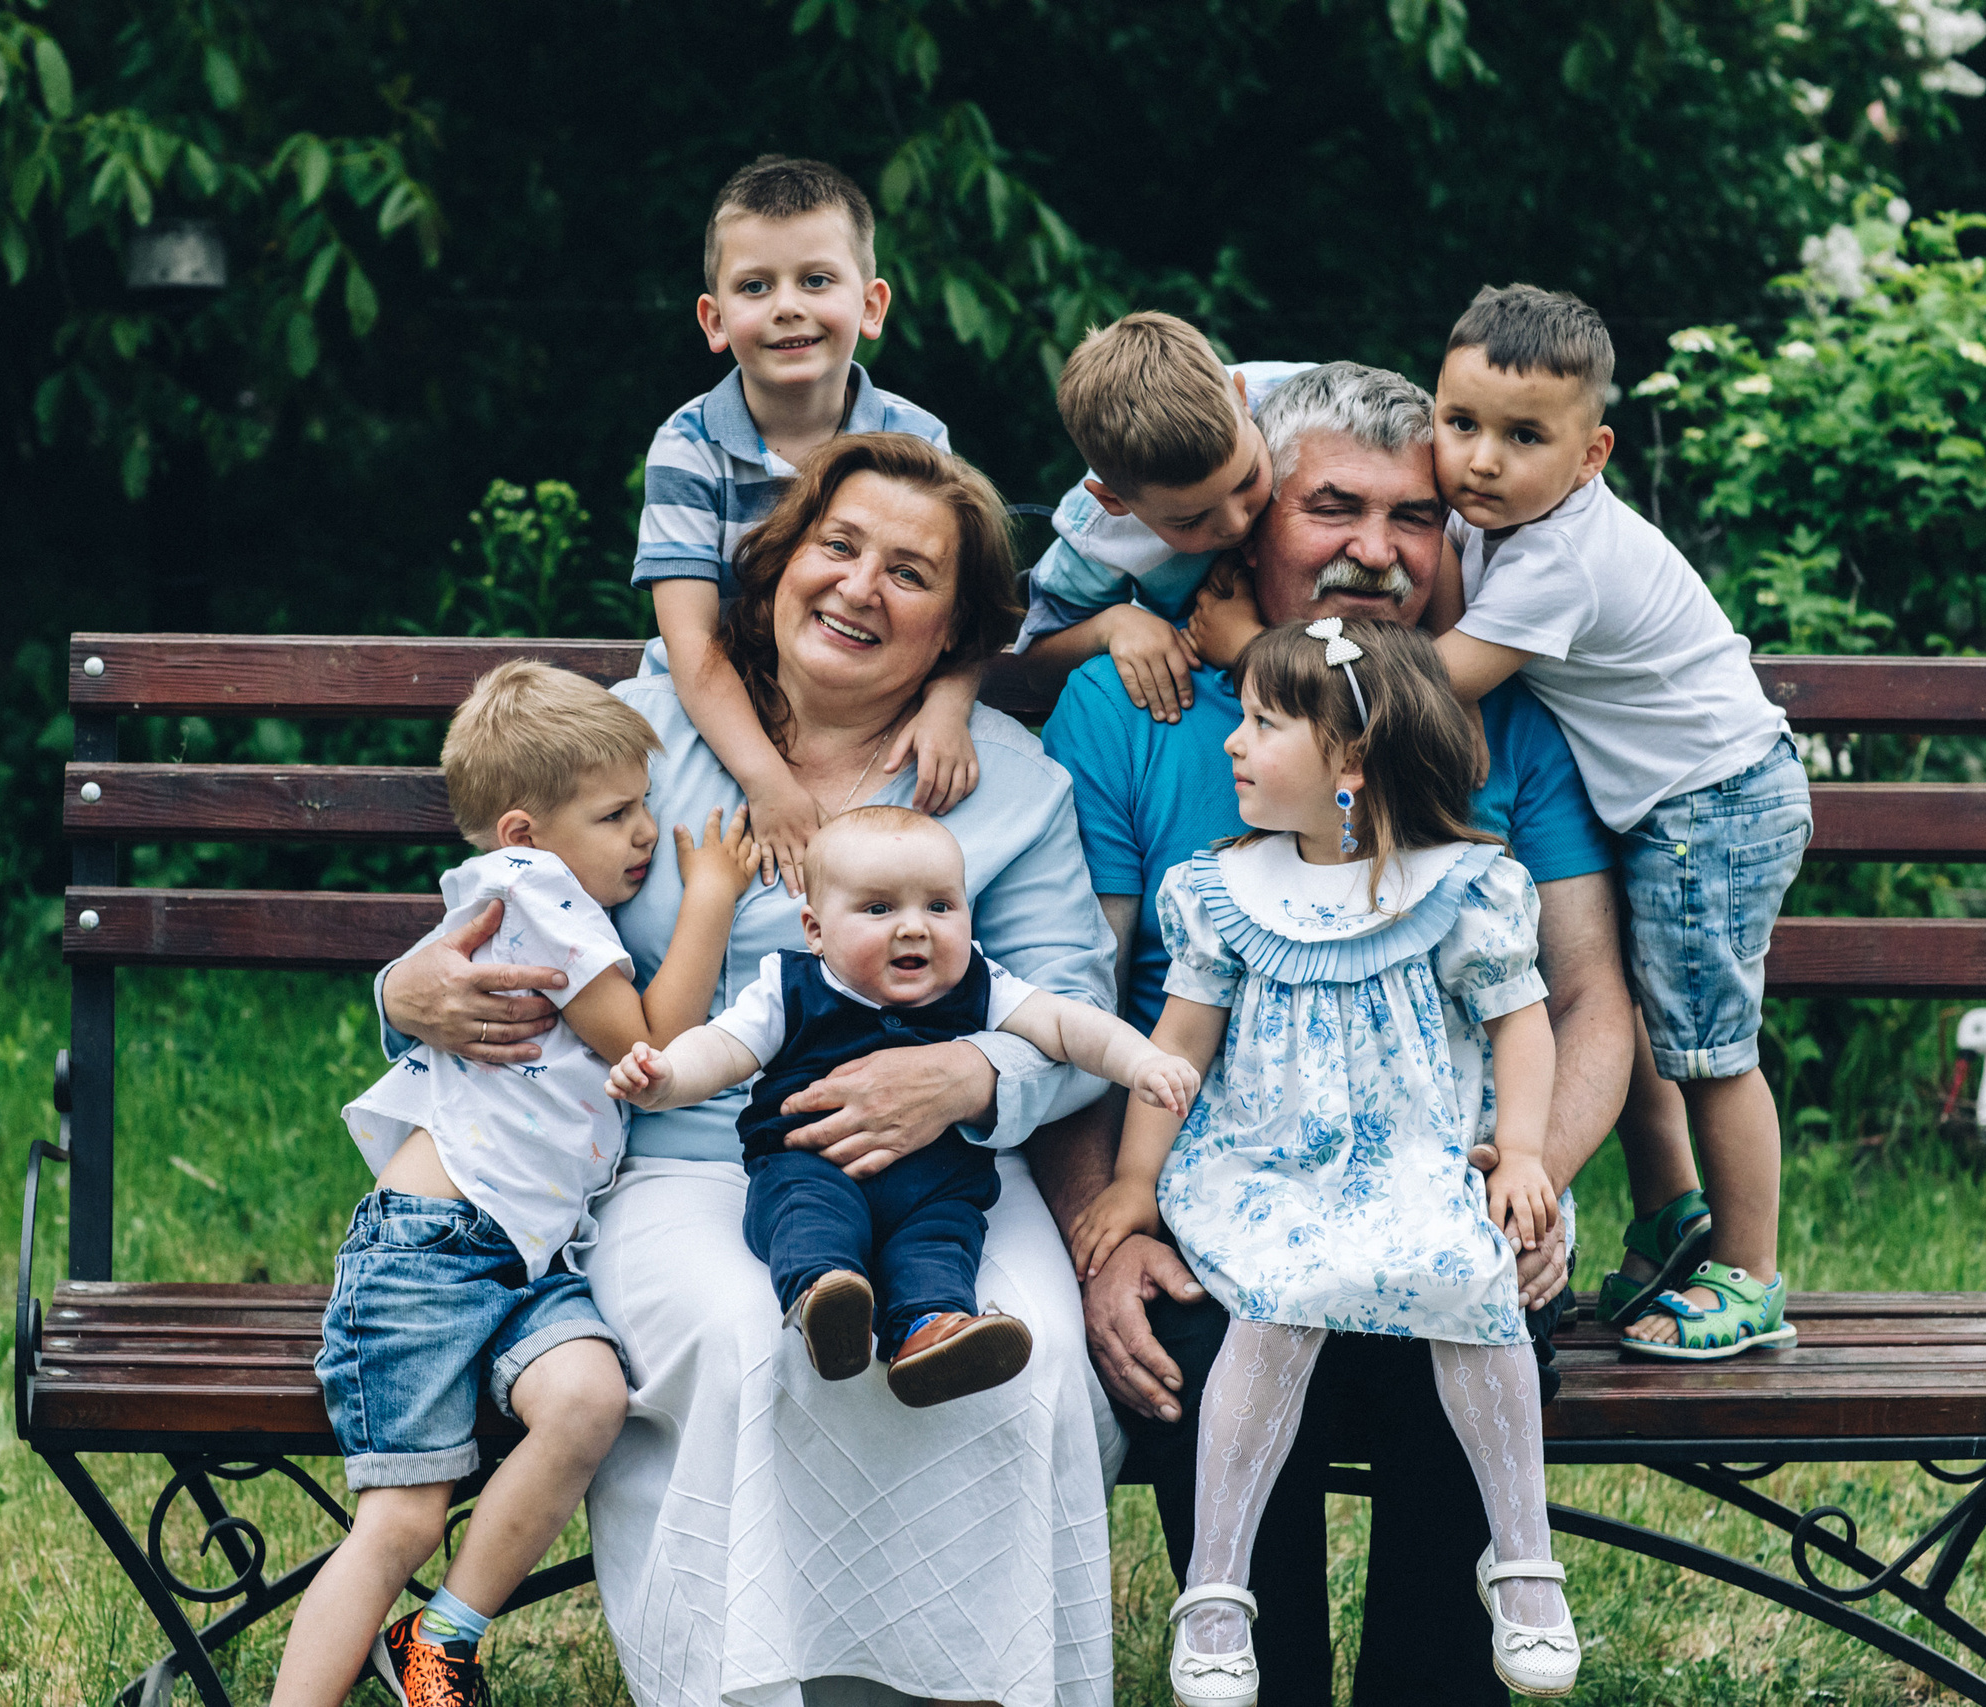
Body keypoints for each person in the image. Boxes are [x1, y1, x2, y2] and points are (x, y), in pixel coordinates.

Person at [383, 431, 1124, 1707]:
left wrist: (969, 1080)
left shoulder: (1005, 782)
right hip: (679, 1158)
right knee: (743, 1340)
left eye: (909, 572)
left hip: (939, 1168)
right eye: (838, 546)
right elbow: (497, 912)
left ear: (955, 631)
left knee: (1035, 1351)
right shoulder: (638, 735)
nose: (858, 587)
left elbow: (1073, 997)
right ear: (781, 564)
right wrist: (406, 992)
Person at [1032, 359, 1659, 1705]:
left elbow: (1583, 997)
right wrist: (1109, 1225)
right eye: (1333, 507)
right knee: (1211, 1340)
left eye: (1415, 516)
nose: (1376, 549)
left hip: (1435, 1178)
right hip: (1225, 1197)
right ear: (1251, 518)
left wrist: (1530, 1174)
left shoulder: (1495, 720)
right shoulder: (1133, 709)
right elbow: (1076, 999)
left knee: (1472, 1309)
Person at [1071, 623, 1580, 1701]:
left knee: (1472, 1275)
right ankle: (1218, 1590)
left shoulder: (1462, 887)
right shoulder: (1226, 889)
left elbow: (1522, 1021)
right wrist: (1132, 1181)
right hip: (1269, 1167)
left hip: (1411, 1161)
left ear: (1351, 759)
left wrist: (1525, 1152)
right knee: (1275, 1289)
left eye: (1264, 723)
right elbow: (1178, 1045)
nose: (1232, 742)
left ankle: (1524, 1560)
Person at [276, 662, 760, 1707]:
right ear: (524, 832)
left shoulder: (541, 892)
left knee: (588, 1402)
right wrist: (712, 895)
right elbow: (652, 1040)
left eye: (644, 805)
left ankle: (439, 1639)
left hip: (526, 1258)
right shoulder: (535, 892)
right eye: (617, 814)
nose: (645, 832)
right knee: (402, 1519)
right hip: (429, 1253)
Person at [1425, 284, 1809, 1360]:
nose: (1480, 461)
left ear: (1590, 454)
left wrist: (1264, 651)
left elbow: (1435, 681)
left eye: (1523, 437)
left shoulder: (1559, 558)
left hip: (1714, 802)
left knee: (1709, 1047)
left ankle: (1750, 1275)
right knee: (1648, 1009)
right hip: (1684, 797)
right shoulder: (1504, 515)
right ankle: (1670, 1210)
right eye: (1459, 424)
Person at [610, 805, 1200, 1406]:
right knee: (808, 1219)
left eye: (940, 906)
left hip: (937, 1183)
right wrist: (669, 1078)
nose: (915, 928)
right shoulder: (790, 988)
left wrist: (1142, 1063)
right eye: (879, 909)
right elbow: (722, 1048)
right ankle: (828, 1302)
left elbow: (1070, 1026)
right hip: (813, 1165)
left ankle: (931, 1332)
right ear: (815, 930)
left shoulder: (982, 984)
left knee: (939, 1247)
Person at [635, 155, 982, 896]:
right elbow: (690, 643)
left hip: (858, 712)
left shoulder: (918, 441)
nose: (787, 306)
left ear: (872, 306)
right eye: (755, 286)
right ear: (714, 320)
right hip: (714, 712)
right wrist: (767, 780)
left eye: (816, 280)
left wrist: (949, 703)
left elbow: (960, 602)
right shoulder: (687, 446)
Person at [1012, 311, 1311, 723]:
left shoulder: (1311, 409)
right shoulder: (1098, 533)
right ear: (1114, 502)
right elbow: (1035, 663)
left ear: (1243, 400)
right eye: (1190, 521)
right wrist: (1112, 626)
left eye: (1249, 478)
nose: (1236, 524)